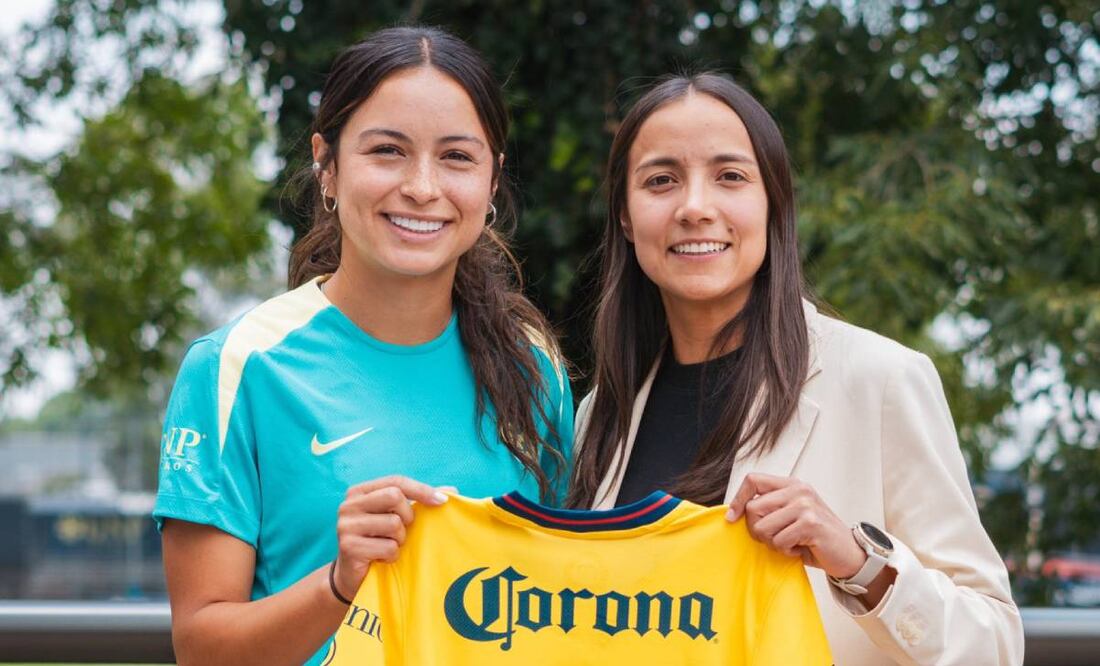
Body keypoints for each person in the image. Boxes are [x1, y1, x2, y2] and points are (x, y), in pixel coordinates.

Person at [568, 72, 1024, 665]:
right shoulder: (599, 415)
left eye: (730, 176)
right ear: (626, 218)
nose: (695, 207)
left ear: (773, 202)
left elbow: (996, 643)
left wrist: (858, 564)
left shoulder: (880, 379)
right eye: (661, 181)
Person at [154, 27, 572, 666]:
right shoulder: (235, 366)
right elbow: (202, 648)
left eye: (457, 157)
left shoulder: (534, 366)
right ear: (328, 163)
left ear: (493, 181)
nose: (422, 188)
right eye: (387, 151)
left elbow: (564, 608)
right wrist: (339, 583)